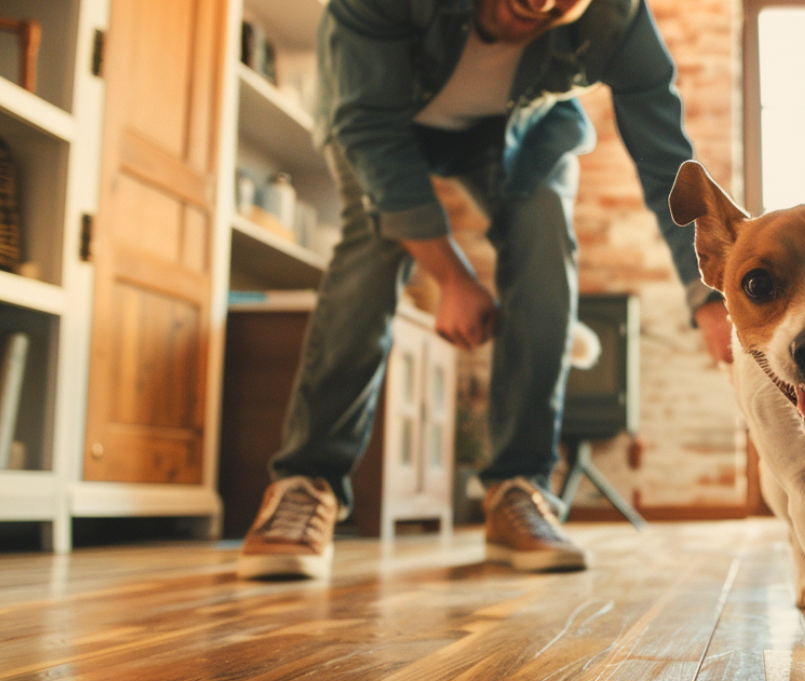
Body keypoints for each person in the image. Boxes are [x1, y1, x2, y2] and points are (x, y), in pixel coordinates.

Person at [237, 0, 732, 580]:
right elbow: (368, 131)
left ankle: (516, 488)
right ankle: (306, 479)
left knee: (546, 239)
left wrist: (712, 298)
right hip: (379, 121)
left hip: (519, 135)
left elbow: (668, 163)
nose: (541, 4)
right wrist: (451, 276)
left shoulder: (616, 19)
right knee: (375, 243)